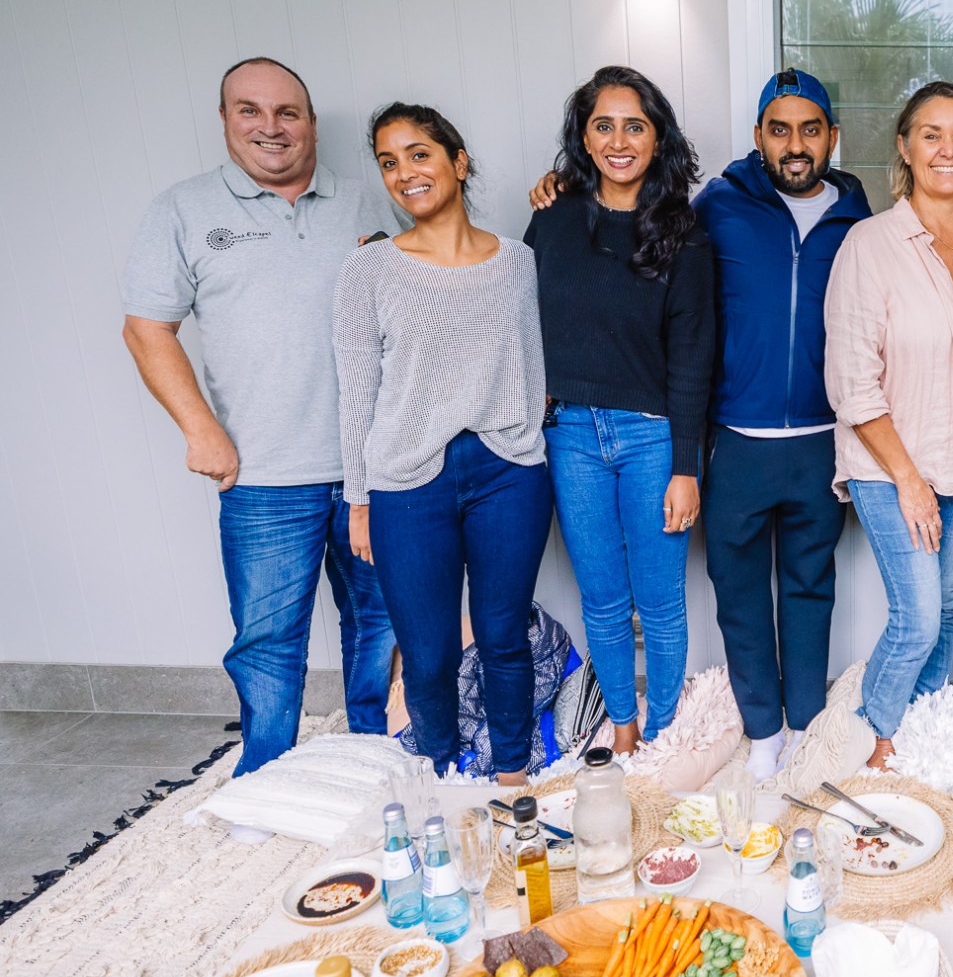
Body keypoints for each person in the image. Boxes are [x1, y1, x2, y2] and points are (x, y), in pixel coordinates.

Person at [122, 57, 399, 786]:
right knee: (270, 640)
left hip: (375, 468)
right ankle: (268, 772)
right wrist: (201, 430)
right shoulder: (182, 211)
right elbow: (147, 328)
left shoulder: (369, 202)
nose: (270, 128)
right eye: (251, 111)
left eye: (288, 113)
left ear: (310, 122)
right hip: (265, 475)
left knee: (382, 623)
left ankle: (377, 756)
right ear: (225, 120)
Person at [333, 103, 550, 784]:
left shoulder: (519, 262)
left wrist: (527, 436)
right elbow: (356, 391)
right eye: (389, 162)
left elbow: (533, 362)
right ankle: (442, 778)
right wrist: (359, 499)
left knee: (502, 638)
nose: (405, 173)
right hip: (407, 479)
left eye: (418, 154)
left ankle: (513, 780)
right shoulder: (368, 271)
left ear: (458, 162)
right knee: (427, 655)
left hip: (507, 471)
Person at [824, 82, 953, 770]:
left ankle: (922, 739)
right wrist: (907, 479)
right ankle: (870, 744)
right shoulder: (869, 244)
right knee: (917, 617)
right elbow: (851, 381)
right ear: (905, 148)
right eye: (931, 134)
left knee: (944, 616)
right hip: (891, 466)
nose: (947, 148)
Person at [524, 67, 714, 755]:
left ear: (657, 135)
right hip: (569, 432)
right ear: (584, 136)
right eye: (602, 125)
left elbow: (694, 356)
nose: (618, 139)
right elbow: (517, 314)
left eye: (634, 125)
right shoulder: (553, 218)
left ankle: (661, 734)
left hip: (652, 437)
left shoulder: (685, 233)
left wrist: (687, 467)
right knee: (602, 600)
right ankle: (624, 733)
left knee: (660, 603)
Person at [692, 70, 873, 779]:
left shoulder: (862, 220)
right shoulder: (719, 206)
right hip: (736, 440)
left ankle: (803, 725)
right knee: (737, 591)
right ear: (759, 136)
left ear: (832, 136)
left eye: (809, 129)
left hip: (822, 442)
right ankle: (762, 729)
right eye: (779, 129)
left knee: (808, 589)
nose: (794, 145)